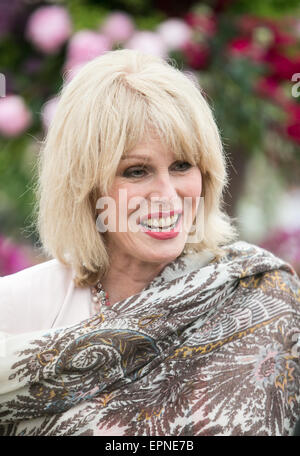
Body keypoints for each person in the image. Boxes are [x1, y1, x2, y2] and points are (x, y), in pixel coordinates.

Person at [0, 49, 299, 436]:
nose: (167, 195)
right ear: (84, 186)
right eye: (136, 171)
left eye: (181, 166)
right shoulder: (13, 310)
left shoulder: (263, 295)